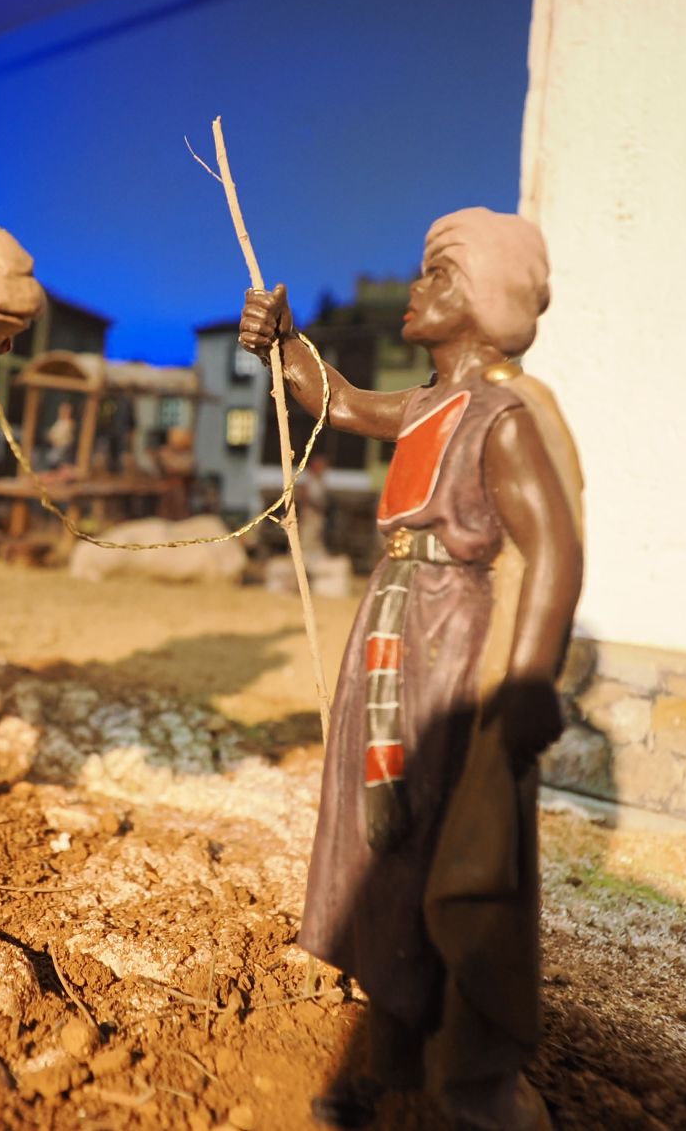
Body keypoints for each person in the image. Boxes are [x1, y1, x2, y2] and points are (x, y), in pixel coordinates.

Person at [239, 207, 583, 1131]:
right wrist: (288, 344)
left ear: (478, 299)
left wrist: (528, 683)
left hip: (448, 647)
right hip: (392, 633)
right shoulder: (432, 404)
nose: (416, 289)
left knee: (437, 847)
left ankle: (467, 1077)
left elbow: (553, 552)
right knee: (376, 847)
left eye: (436, 276)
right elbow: (345, 403)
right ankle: (385, 1053)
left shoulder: (501, 420)